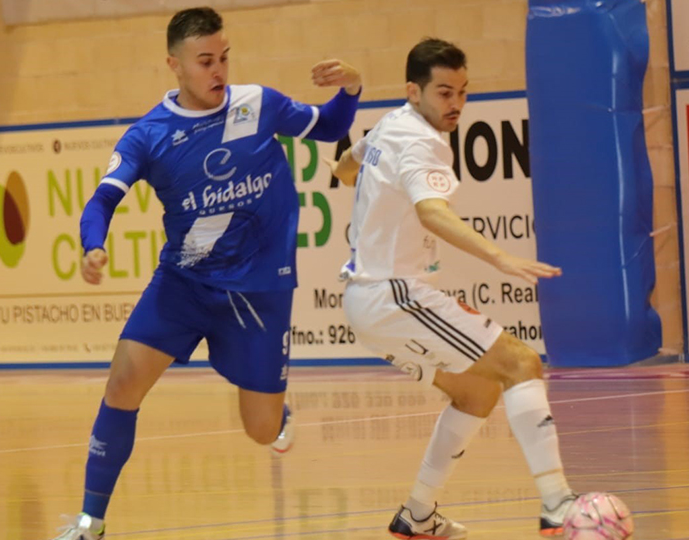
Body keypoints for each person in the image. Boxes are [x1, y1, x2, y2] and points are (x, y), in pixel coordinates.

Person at [52, 7, 362, 540]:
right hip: (184, 283)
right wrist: (93, 246)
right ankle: (90, 521)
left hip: (259, 289)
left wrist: (352, 88)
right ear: (174, 64)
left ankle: (277, 412)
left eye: (223, 58)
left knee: (261, 432)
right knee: (123, 382)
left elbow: (331, 126)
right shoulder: (147, 136)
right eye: (204, 61)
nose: (217, 70)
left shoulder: (258, 104)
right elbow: (102, 200)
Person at [328, 38, 579, 539]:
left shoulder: (390, 124)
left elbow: (344, 168)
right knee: (521, 363)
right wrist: (500, 256)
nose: (456, 104)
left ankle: (417, 514)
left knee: (477, 392)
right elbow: (430, 211)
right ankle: (558, 505)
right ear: (413, 91)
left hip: (367, 301)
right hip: (392, 294)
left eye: (463, 92)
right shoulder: (423, 141)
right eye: (444, 93)